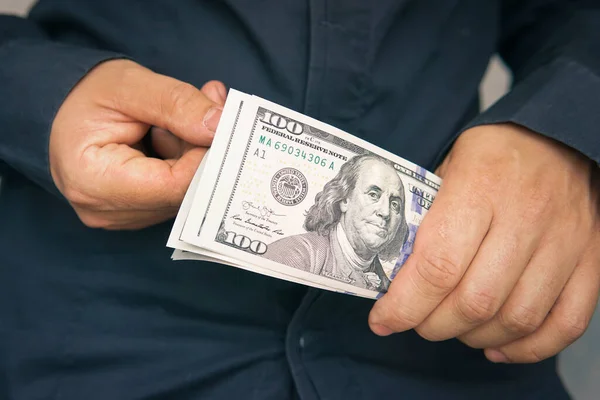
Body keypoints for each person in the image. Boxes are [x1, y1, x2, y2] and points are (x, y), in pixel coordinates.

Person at [0, 1, 598, 399]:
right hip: (90, 331)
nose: (385, 213)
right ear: (339, 201)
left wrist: (564, 127)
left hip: (457, 340)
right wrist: (36, 97)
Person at [262, 154, 410, 292]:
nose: (385, 212)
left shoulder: (388, 289)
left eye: (395, 204)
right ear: (345, 199)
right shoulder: (296, 255)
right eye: (373, 195)